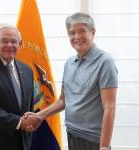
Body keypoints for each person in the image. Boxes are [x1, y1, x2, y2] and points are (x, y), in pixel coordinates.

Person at [26, 12, 118, 150]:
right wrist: (39, 115)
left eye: (82, 31)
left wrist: (104, 146)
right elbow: (63, 100)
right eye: (72, 32)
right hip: (72, 133)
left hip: (94, 139)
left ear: (93, 32)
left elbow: (110, 108)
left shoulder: (105, 62)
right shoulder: (69, 63)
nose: (77, 37)